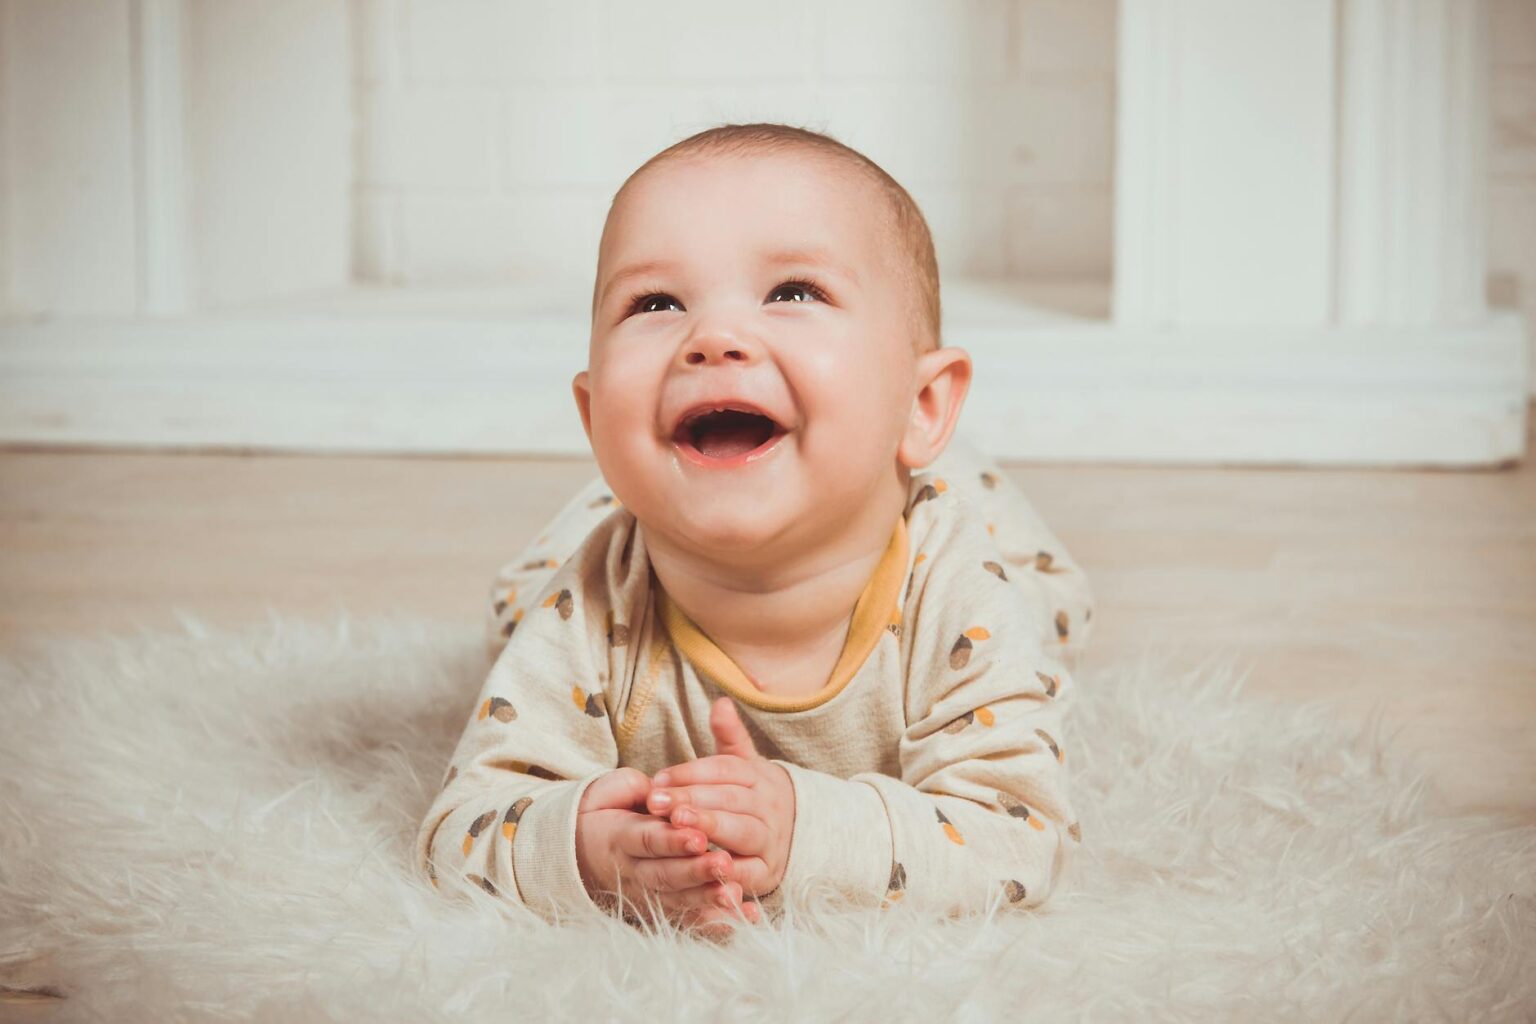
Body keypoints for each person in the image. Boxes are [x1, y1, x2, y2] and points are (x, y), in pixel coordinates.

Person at [416, 122, 1093, 938]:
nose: (714, 339)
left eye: (792, 293)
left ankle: (940, 458)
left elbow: (1020, 840)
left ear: (922, 404)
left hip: (959, 513)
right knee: (518, 606)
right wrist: (589, 848)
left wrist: (805, 828)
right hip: (630, 511)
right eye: (655, 304)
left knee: (1052, 610)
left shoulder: (961, 591)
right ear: (595, 419)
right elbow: (466, 826)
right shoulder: (593, 605)